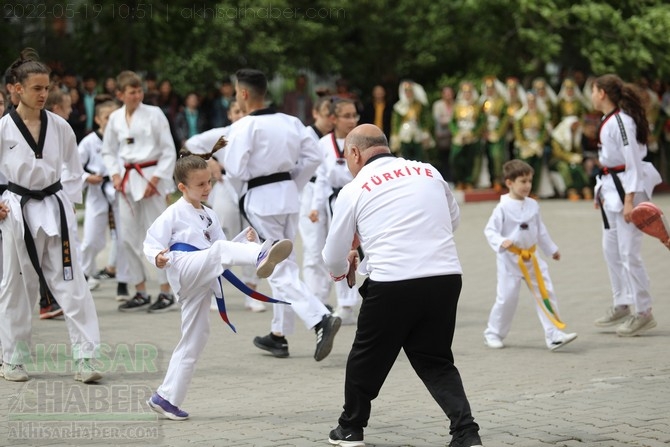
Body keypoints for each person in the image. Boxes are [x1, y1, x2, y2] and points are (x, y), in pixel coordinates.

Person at [322, 123, 482, 447]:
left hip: (394, 282)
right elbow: (452, 221)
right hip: (445, 277)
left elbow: (332, 254)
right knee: (435, 359)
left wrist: (343, 271)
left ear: (354, 153)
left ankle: (350, 428)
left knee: (365, 357)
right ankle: (466, 433)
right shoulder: (428, 171)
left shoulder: (355, 188)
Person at [144, 151, 293, 420]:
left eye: (209, 182)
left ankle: (166, 398)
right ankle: (260, 253)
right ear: (182, 187)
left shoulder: (210, 215)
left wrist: (243, 240)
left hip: (203, 272)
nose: (207, 188)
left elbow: (221, 248)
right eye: (200, 184)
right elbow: (152, 240)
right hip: (183, 266)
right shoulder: (173, 212)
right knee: (223, 251)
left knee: (195, 338)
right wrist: (157, 255)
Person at [222, 68, 341, 361]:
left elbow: (235, 170)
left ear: (244, 93)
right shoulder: (292, 121)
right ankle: (279, 335)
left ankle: (318, 318)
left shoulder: (244, 127)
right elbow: (313, 157)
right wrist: (291, 184)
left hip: (261, 199)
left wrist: (251, 186)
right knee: (282, 262)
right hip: (288, 197)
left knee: (275, 266)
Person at [0, 48, 102, 383]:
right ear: (17, 89)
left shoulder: (60, 127)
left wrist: (68, 207)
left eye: (46, 88)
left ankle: (86, 357)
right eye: (36, 88)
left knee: (73, 285)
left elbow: (74, 171)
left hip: (56, 210)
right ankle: (12, 359)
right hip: (18, 213)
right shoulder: (3, 129)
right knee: (17, 287)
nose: (44, 94)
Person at [590, 74, 662, 336]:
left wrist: (630, 200)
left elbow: (632, 161)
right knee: (611, 250)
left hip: (626, 190)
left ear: (602, 93)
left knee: (629, 253)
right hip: (611, 189)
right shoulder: (607, 120)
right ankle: (622, 301)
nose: (591, 95)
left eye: (593, 90)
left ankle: (643, 311)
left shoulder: (621, 121)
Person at [101, 70, 177, 313]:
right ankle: (140, 290)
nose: (137, 95)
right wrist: (114, 174)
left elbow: (168, 150)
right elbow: (108, 151)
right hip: (126, 180)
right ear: (120, 94)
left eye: (139, 91)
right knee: (128, 238)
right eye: (132, 92)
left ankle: (166, 291)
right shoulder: (114, 118)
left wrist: (155, 180)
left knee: (158, 235)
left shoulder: (155, 114)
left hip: (150, 176)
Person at [483, 159, 578, 351]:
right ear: (509, 183)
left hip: (532, 259)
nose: (527, 185)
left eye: (529, 181)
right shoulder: (502, 207)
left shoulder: (533, 205)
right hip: (510, 260)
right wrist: (502, 241)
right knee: (507, 298)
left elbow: (540, 230)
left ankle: (554, 335)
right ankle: (493, 333)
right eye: (522, 181)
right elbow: (490, 230)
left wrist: (551, 249)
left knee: (545, 293)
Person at [184, 99, 265, 312]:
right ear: (230, 114)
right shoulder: (223, 134)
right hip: (224, 187)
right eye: (236, 111)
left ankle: (251, 292)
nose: (239, 115)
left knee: (251, 238)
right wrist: (209, 161)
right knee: (218, 240)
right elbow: (192, 143)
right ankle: (213, 292)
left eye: (243, 111)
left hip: (252, 189)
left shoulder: (256, 132)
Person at [313, 97, 360, 324]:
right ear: (334, 118)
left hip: (360, 197)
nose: (352, 120)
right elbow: (321, 178)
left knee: (367, 250)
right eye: (347, 116)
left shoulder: (362, 140)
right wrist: (315, 207)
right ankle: (346, 303)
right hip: (335, 202)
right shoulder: (323, 144)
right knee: (339, 251)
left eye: (354, 115)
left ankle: (372, 298)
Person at [77, 100, 131, 299]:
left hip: (120, 194)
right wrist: (86, 177)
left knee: (124, 239)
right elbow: (73, 166)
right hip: (97, 194)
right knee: (91, 240)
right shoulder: (89, 142)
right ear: (98, 119)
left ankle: (123, 282)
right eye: (107, 117)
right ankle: (83, 274)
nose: (111, 121)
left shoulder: (124, 140)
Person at [299, 96, 335, 307]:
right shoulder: (305, 136)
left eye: (333, 115)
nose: (331, 120)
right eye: (326, 115)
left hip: (328, 192)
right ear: (315, 113)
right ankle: (314, 300)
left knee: (329, 247)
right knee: (313, 248)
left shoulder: (335, 139)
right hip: (309, 192)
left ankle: (321, 297)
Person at [390, 80, 433, 161]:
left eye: (410, 91)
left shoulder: (419, 105)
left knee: (420, 157)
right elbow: (395, 123)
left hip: (417, 133)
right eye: (406, 91)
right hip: (404, 134)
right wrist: (395, 136)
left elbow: (424, 120)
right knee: (404, 157)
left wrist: (425, 132)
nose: (408, 93)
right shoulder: (399, 106)